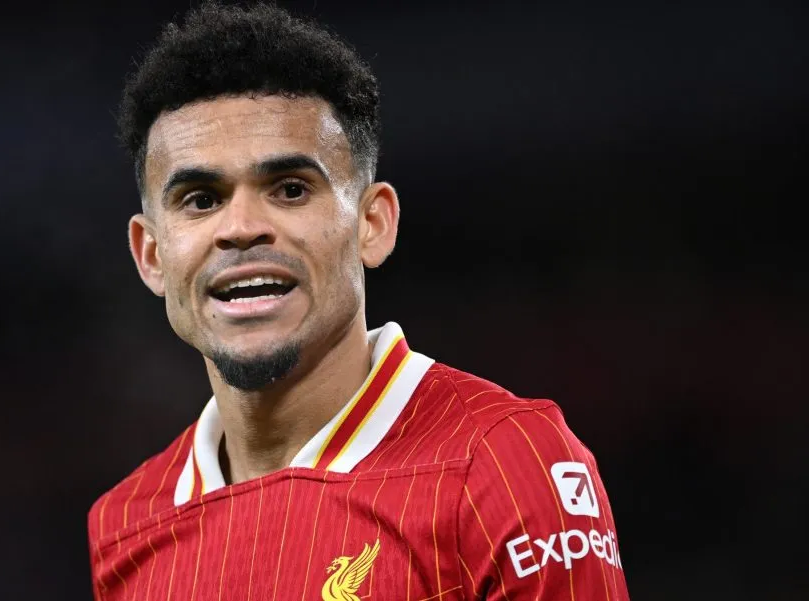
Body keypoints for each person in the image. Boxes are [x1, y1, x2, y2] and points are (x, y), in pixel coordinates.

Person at [88, 3, 630, 599]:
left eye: (290, 190)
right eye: (199, 199)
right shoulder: (125, 526)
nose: (240, 227)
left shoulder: (504, 463)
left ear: (373, 223)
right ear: (152, 254)